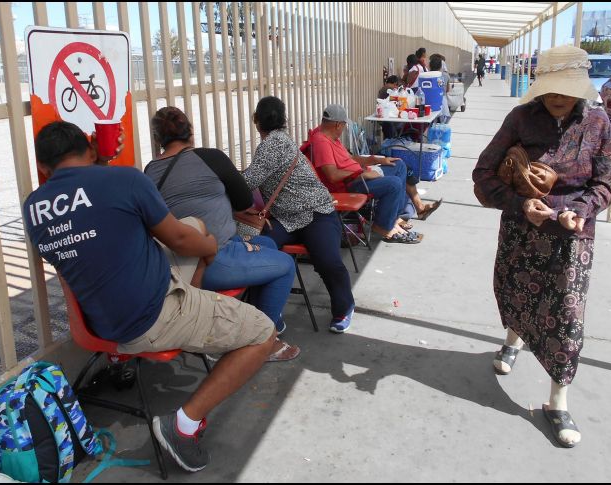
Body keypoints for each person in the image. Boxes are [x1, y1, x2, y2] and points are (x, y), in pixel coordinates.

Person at [25, 121, 276, 472]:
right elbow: (181, 242)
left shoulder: (33, 208)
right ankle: (182, 426)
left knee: (194, 223)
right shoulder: (124, 179)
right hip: (153, 315)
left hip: (99, 322)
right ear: (91, 149)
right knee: (263, 332)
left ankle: (184, 311)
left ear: (42, 167)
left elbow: (90, 216)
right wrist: (210, 248)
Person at [472, 45, 611, 448]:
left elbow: (604, 185)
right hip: (522, 229)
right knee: (516, 292)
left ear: (580, 89)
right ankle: (513, 341)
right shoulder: (520, 118)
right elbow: (483, 174)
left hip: (572, 238)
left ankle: (557, 402)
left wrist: (582, 210)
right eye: (550, 89)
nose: (556, 97)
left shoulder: (599, 124)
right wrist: (520, 205)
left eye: (565, 90)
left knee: (566, 317)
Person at [144, 106, 300, 362]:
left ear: (157, 139)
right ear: (191, 131)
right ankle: (264, 339)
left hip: (173, 264)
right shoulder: (211, 157)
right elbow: (243, 202)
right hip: (212, 258)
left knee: (268, 244)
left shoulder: (151, 170)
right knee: (284, 264)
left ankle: (253, 318)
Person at [243, 96, 356, 333]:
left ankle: (344, 307)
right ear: (285, 119)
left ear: (255, 120)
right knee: (259, 251)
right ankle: (268, 314)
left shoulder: (274, 143)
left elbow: (249, 181)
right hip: (286, 219)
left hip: (315, 212)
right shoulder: (279, 141)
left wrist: (217, 176)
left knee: (326, 259)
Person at [310, 104, 442, 243]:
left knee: (399, 165)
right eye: (343, 125)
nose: (343, 129)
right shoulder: (321, 141)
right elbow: (333, 175)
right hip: (351, 183)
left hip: (358, 175)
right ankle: (383, 227)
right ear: (338, 125)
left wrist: (374, 160)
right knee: (394, 184)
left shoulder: (332, 138)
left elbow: (350, 159)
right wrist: (361, 173)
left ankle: (394, 218)